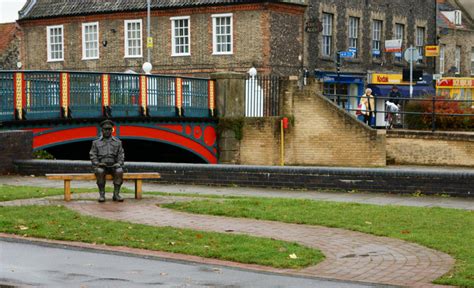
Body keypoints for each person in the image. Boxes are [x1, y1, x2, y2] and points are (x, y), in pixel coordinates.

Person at [89, 120, 125, 203]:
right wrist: (97, 163)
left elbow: (121, 155)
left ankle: (116, 194)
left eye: (109, 129)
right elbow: (92, 155)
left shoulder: (118, 142)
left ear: (112, 130)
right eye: (105, 129)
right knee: (100, 171)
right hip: (102, 165)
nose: (107, 131)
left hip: (114, 165)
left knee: (119, 171)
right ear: (102, 130)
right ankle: (102, 194)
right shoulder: (96, 143)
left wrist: (119, 163)